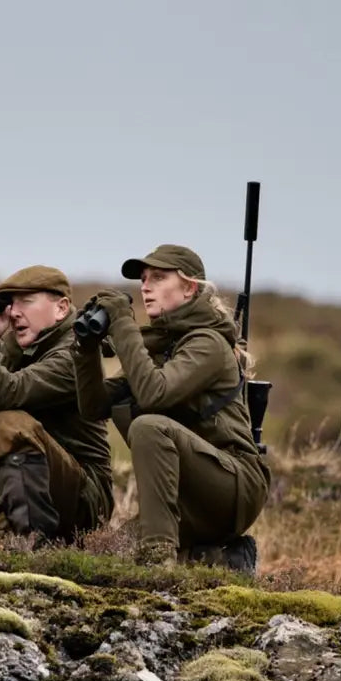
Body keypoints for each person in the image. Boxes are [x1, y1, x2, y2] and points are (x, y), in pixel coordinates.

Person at [73, 245, 269, 571]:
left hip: (233, 488)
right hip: (183, 498)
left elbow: (153, 394)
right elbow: (93, 406)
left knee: (148, 426)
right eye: (143, 279)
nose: (145, 286)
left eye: (159, 278)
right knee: (106, 557)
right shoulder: (161, 347)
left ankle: (158, 564)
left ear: (189, 287)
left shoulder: (208, 344)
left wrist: (121, 323)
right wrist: (86, 348)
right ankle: (224, 560)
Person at [0, 265, 114, 543]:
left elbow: (7, 393)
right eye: (9, 303)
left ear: (61, 308)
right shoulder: (19, 348)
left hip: (85, 499)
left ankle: (32, 542)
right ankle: (18, 536)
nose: (14, 312)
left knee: (8, 423)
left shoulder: (76, 354)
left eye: (26, 301)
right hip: (22, 491)